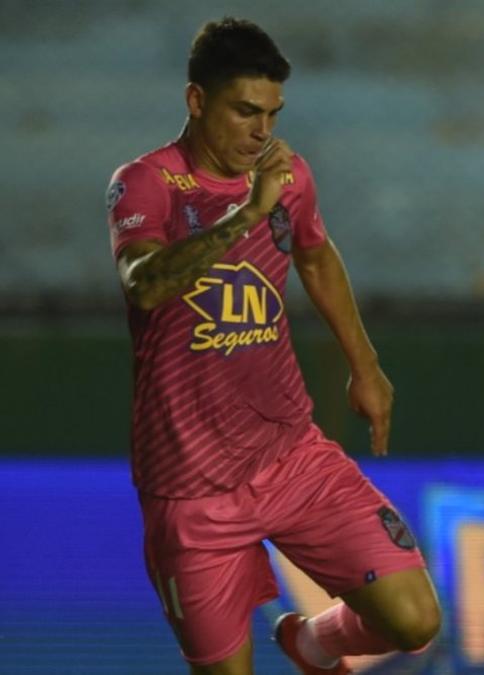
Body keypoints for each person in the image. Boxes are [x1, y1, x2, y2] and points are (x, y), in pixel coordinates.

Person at [106, 17, 440, 674]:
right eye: (244, 112)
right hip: (190, 489)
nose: (262, 131)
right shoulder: (146, 184)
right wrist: (246, 215)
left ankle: (313, 644)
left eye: (272, 114)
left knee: (415, 619)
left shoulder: (288, 177)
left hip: (292, 457)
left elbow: (316, 257)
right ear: (196, 101)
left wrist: (365, 367)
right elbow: (145, 285)